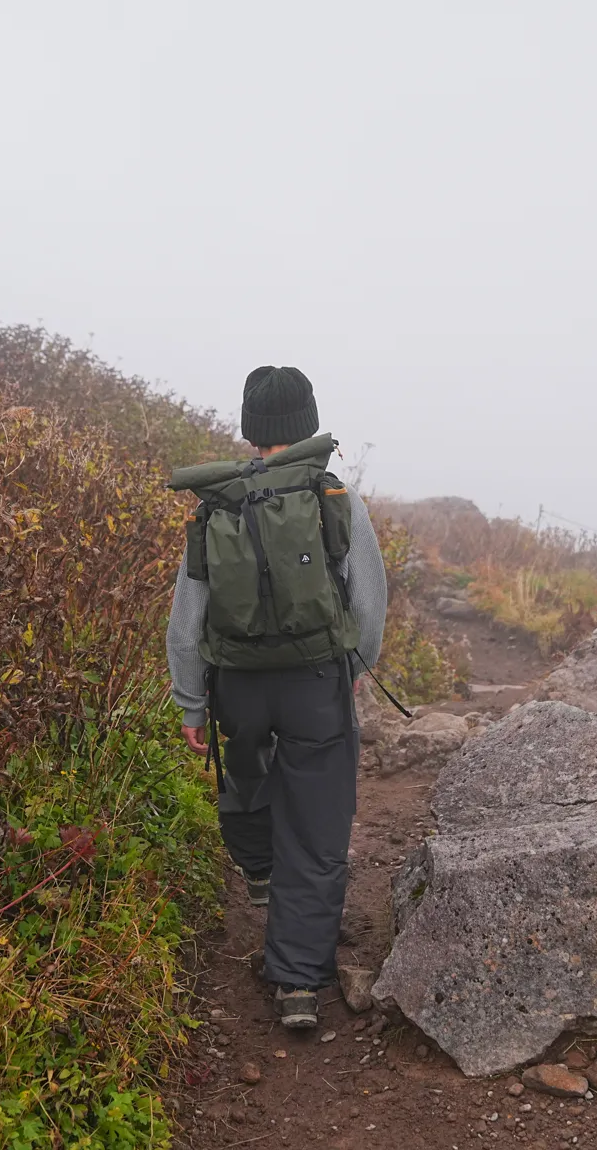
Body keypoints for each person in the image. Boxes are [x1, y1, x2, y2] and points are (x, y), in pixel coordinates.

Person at [166, 366, 388, 1031]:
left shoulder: (218, 501)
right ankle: (295, 983)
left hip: (238, 687)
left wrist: (191, 704)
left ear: (250, 428)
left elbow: (186, 622)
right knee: (317, 835)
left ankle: (257, 864)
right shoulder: (334, 495)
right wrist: (355, 665)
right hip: (315, 686)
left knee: (248, 774)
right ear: (306, 424)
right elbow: (368, 601)